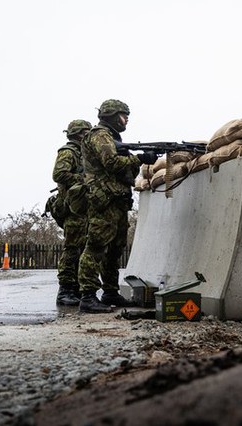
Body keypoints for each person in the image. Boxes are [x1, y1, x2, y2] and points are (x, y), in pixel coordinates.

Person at [77, 99, 157, 313]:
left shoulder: (112, 138)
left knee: (115, 249)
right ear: (112, 115)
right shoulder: (100, 135)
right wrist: (139, 159)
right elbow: (111, 163)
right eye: (123, 115)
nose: (126, 119)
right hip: (104, 200)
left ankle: (110, 291)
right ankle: (87, 295)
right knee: (96, 247)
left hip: (117, 200)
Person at [52, 119, 92, 306]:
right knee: (72, 249)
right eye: (87, 132)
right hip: (71, 208)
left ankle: (75, 288)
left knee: (82, 247)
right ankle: (65, 289)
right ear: (79, 134)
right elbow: (59, 174)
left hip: (82, 207)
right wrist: (84, 178)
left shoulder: (84, 153)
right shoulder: (68, 152)